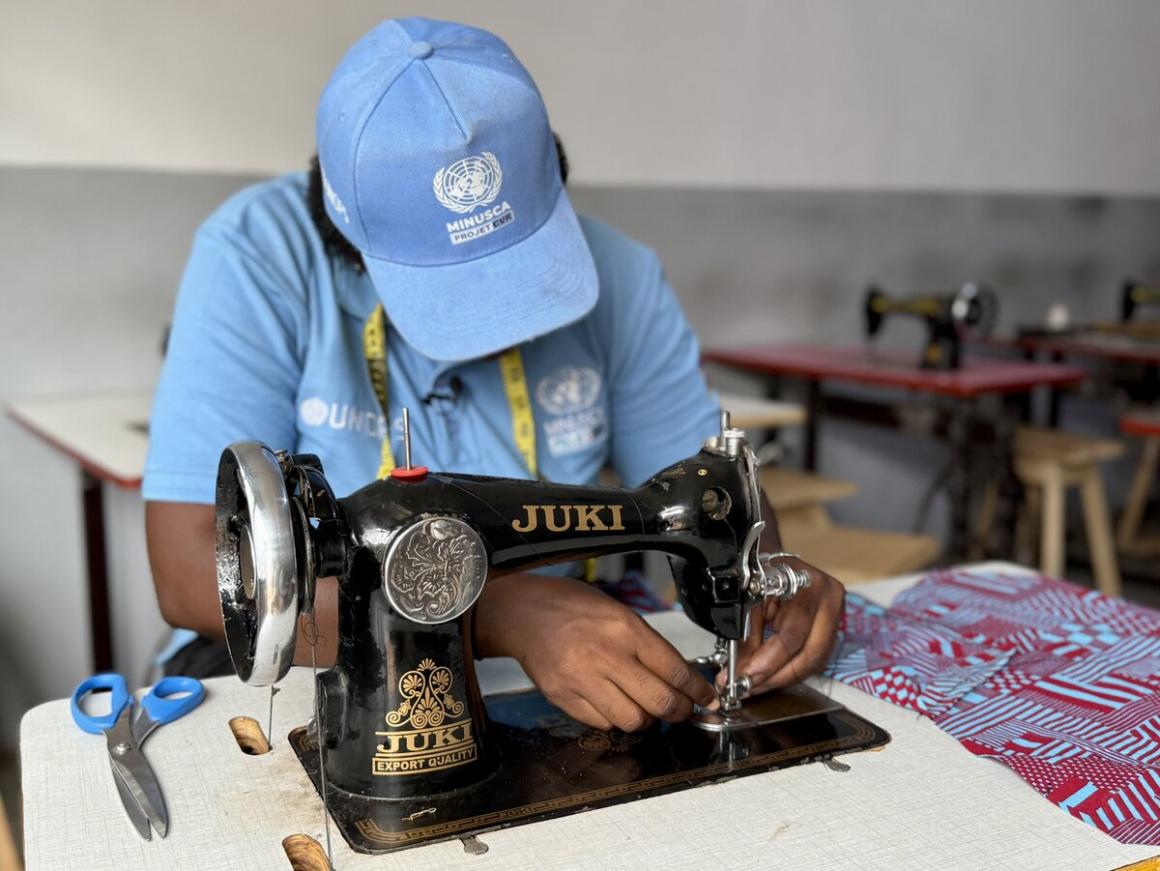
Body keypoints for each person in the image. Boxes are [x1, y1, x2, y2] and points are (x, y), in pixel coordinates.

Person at [143, 16, 844, 733]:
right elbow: (189, 564)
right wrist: (491, 613)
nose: (496, 321)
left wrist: (770, 575)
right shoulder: (257, 256)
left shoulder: (622, 276)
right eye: (449, 292)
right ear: (347, 236)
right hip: (311, 667)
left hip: (554, 659)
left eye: (516, 269)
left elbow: (713, 499)